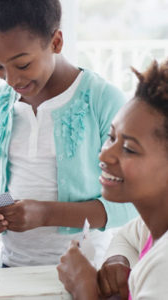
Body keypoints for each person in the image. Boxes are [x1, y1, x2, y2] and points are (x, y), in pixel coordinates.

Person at [0, 0, 137, 267]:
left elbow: (130, 204)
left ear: (56, 42)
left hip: (89, 273)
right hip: (13, 268)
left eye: (22, 65)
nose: (10, 79)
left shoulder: (102, 100)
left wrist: (46, 213)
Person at [57, 59, 168, 299]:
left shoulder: (163, 269)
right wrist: (118, 260)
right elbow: (125, 237)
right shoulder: (151, 226)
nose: (105, 153)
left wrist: (83, 288)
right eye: (111, 137)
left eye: (128, 148)